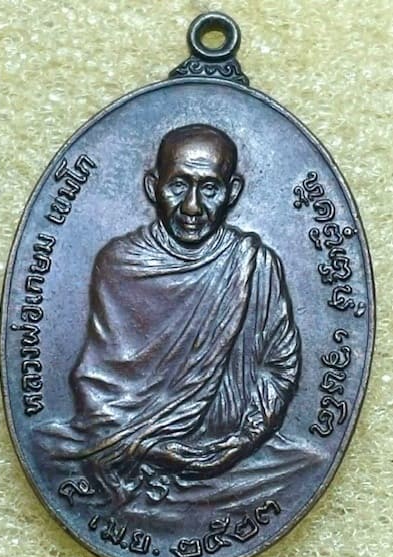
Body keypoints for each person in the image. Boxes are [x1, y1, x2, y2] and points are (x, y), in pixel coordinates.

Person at [40, 124, 301, 507]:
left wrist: (237, 444)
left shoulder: (254, 266)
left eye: (209, 188)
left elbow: (278, 368)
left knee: (306, 464)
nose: (192, 206)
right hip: (129, 447)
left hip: (234, 452)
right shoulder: (120, 264)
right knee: (49, 450)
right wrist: (146, 447)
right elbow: (99, 384)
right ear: (153, 187)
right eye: (178, 185)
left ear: (233, 192)